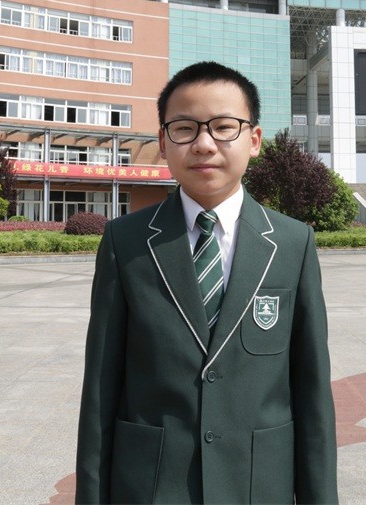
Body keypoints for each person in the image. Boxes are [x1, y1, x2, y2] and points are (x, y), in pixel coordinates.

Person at [75, 61, 338, 504]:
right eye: (184, 128)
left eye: (223, 127)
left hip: (258, 484)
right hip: (153, 486)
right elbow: (100, 388)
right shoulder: (127, 241)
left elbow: (312, 393)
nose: (203, 144)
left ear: (254, 140)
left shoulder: (293, 243)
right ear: (163, 143)